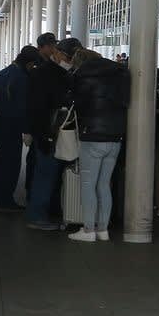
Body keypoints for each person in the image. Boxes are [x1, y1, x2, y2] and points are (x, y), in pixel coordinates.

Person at [64, 45, 130, 242]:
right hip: (115, 136)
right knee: (104, 184)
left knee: (88, 184)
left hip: (92, 136)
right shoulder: (120, 73)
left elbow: (74, 102)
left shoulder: (82, 76)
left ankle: (88, 230)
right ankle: (103, 229)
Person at [25, 34, 73, 230]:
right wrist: (39, 133)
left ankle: (43, 212)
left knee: (48, 174)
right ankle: (37, 216)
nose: (69, 62)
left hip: (50, 132)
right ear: (57, 53)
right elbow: (38, 106)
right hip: (48, 132)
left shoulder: (50, 73)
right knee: (45, 174)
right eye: (68, 57)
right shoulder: (48, 74)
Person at [0, 45, 38, 212]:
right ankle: (5, 200)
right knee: (11, 163)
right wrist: (27, 130)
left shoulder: (6, 71)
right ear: (29, 63)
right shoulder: (22, 77)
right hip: (12, 124)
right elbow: (22, 107)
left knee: (0, 160)